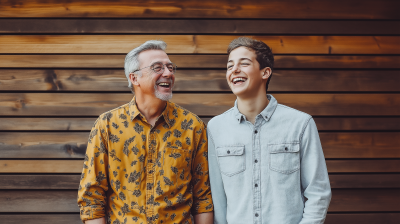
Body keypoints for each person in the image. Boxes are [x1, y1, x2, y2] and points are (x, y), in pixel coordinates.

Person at [78, 40, 213, 224]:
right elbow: (92, 197)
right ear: (134, 78)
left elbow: (203, 197)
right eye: (157, 67)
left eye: (170, 67)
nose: (168, 73)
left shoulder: (192, 126)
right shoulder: (107, 126)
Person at [207, 37, 331, 224]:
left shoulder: (301, 124)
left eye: (244, 63)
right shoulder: (216, 128)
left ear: (265, 73)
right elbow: (218, 199)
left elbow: (318, 193)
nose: (234, 70)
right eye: (230, 65)